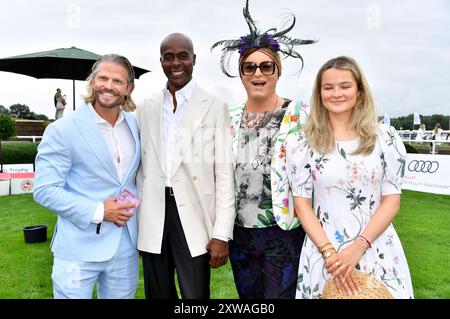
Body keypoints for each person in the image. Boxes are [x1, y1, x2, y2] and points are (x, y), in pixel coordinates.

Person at [284, 56, 413, 299]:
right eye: (328, 87)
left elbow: (392, 200)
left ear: (360, 91)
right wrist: (330, 254)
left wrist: (359, 247)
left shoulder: (385, 138)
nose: (336, 93)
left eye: (345, 86)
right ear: (319, 93)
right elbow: (302, 205)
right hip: (323, 253)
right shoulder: (301, 143)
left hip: (377, 248)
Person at [211, 0, 315, 298]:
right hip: (240, 233)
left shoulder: (301, 114)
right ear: (241, 73)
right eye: (249, 67)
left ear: (277, 71)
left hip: (283, 231)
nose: (258, 73)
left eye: (266, 66)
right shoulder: (227, 117)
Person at [136, 33, 235, 299]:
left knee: (195, 296)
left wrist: (221, 234)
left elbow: (224, 175)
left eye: (183, 56)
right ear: (161, 61)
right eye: (168, 57)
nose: (176, 62)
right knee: (157, 293)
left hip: (195, 216)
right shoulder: (145, 107)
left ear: (194, 60)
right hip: (153, 215)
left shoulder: (215, 106)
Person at [34, 54, 141, 299]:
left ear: (128, 88)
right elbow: (45, 190)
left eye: (117, 81)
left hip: (125, 245)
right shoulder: (62, 129)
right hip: (77, 249)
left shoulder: (136, 126)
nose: (109, 86)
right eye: (103, 78)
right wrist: (99, 211)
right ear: (92, 82)